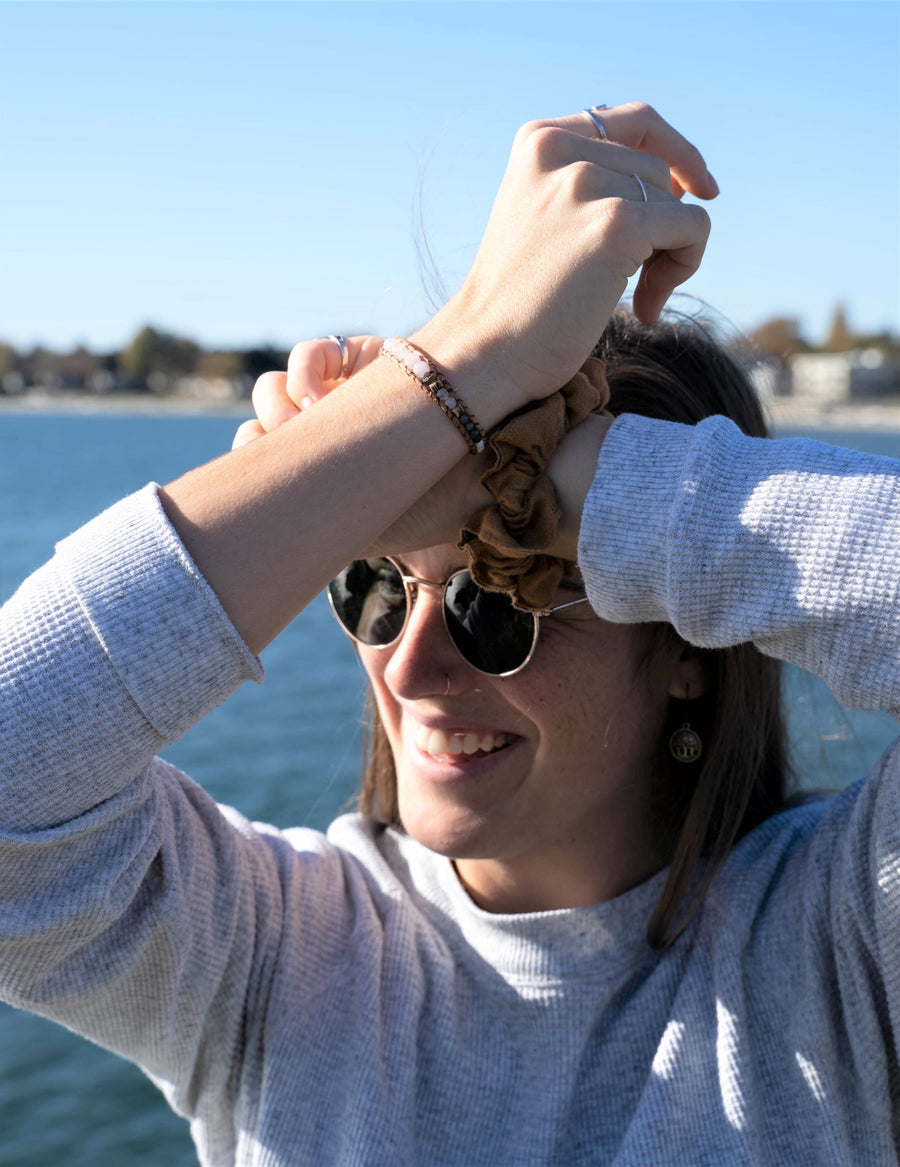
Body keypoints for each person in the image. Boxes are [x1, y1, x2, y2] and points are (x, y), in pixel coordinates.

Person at [1, 102, 899, 1166]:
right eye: (375, 586)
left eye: (501, 602)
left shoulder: (838, 948)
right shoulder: (273, 956)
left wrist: (554, 482)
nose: (411, 665)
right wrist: (448, 376)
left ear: (688, 650)